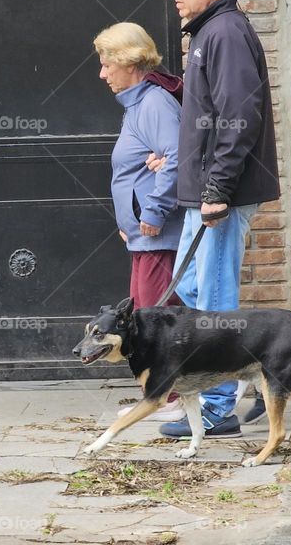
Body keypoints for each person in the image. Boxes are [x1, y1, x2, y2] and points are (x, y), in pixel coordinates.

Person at [150, 0, 280, 440]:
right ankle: (243, 380)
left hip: (218, 195)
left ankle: (220, 405)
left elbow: (238, 117)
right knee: (195, 290)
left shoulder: (224, 32)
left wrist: (218, 188)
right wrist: (181, 161)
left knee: (217, 298)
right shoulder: (209, 33)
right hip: (204, 190)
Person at [94, 22, 186, 423]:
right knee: (145, 316)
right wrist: (128, 220)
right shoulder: (139, 104)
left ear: (128, 62)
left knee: (158, 317)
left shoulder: (153, 104)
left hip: (158, 236)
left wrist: (150, 213)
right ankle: (164, 396)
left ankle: (177, 398)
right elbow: (142, 168)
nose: (102, 74)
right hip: (143, 238)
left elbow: (177, 158)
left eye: (106, 64)